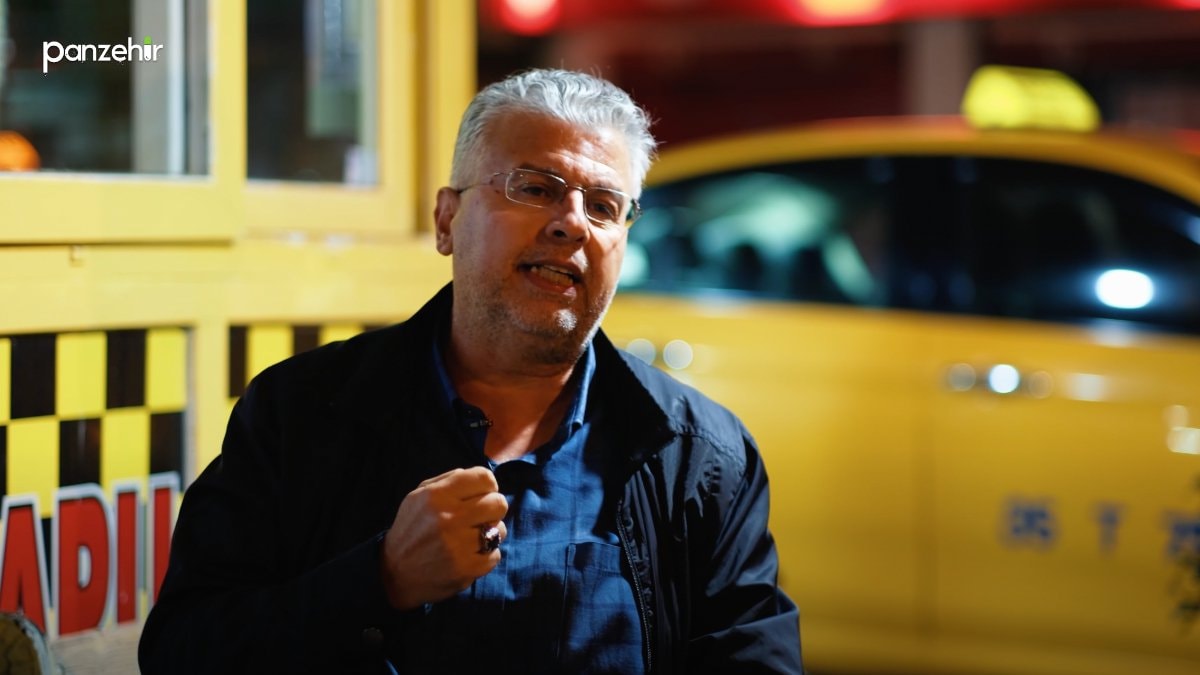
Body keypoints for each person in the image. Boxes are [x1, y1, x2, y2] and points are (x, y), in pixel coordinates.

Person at [138, 68, 803, 674]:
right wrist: (380, 579)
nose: (572, 224)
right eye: (535, 188)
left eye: (603, 205)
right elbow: (181, 651)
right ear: (447, 219)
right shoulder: (303, 413)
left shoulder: (699, 456)